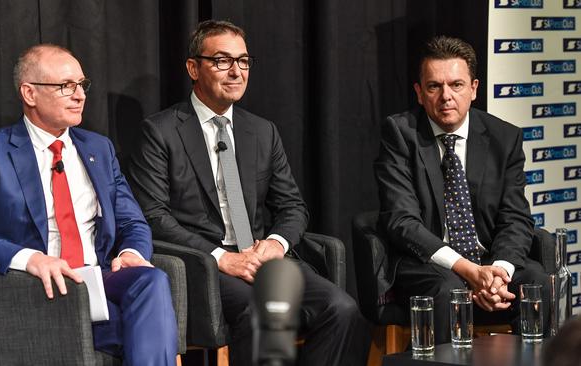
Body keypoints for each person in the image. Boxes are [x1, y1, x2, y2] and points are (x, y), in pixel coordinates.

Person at [128, 20, 370, 366]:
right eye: (222, 61)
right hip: (207, 265)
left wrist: (275, 244)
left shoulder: (261, 131)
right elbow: (153, 216)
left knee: (342, 309)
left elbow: (292, 206)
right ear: (193, 68)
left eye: (243, 62)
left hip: (260, 258)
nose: (236, 72)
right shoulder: (161, 131)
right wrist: (222, 257)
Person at [0, 44, 178, 365]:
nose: (80, 95)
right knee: (136, 329)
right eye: (66, 86)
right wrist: (30, 259)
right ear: (30, 93)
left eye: (82, 85)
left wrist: (131, 253)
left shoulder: (99, 148)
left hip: (99, 279)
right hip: (38, 287)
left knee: (152, 280)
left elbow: (132, 221)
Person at [375, 35, 550, 344]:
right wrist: (469, 271)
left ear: (474, 89)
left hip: (489, 263)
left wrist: (497, 274)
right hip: (429, 264)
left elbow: (516, 218)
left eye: (456, 85)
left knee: (536, 281)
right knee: (448, 289)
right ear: (419, 93)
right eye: (434, 87)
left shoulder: (504, 138)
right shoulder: (400, 134)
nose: (446, 97)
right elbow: (402, 221)